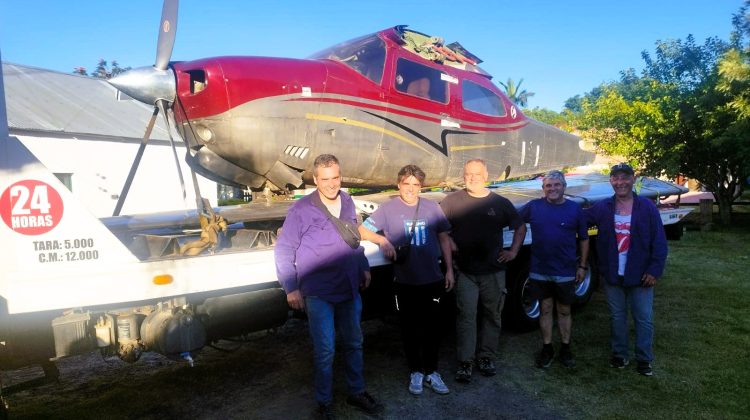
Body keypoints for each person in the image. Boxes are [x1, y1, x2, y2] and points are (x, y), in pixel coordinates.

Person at [275, 154, 383, 418]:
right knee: (325, 350)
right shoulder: (301, 210)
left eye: (336, 177)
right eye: (325, 179)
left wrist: (363, 266)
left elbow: (352, 237)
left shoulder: (347, 201)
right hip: (318, 291)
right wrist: (291, 287)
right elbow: (284, 249)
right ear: (315, 180)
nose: (332, 184)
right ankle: (324, 403)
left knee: (355, 342)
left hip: (348, 287)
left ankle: (356, 392)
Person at [359, 165, 454, 396]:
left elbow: (444, 239)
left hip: (432, 279)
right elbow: (361, 230)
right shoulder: (387, 209)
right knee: (409, 328)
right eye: (406, 184)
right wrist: (382, 241)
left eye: (416, 185)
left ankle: (432, 371)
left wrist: (449, 270)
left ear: (421, 187)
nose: (410, 189)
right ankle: (416, 371)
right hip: (404, 283)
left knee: (433, 328)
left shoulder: (432, 207)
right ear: (399, 184)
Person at [440, 159, 526, 383]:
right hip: (465, 272)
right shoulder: (451, 201)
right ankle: (465, 362)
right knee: (466, 318)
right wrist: (449, 242)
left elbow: (520, 226)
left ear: (486, 175)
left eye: (477, 174)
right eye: (468, 173)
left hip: (494, 272)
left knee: (492, 316)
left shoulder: (500, 203)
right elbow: (439, 229)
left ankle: (486, 357)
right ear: (463, 175)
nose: (473, 177)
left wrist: (514, 252)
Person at [585, 163, 668, 376]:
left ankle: (644, 359)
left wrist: (654, 270)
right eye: (616, 178)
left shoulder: (647, 207)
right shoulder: (603, 207)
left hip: (641, 274)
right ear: (611, 181)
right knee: (617, 317)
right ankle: (620, 355)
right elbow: (579, 219)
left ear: (633, 179)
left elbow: (659, 242)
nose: (620, 182)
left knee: (643, 318)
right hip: (613, 274)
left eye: (625, 178)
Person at [519, 170, 589, 369]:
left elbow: (584, 239)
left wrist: (582, 266)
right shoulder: (533, 207)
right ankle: (547, 347)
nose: (552, 189)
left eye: (556, 185)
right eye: (548, 185)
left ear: (564, 187)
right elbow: (513, 220)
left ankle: (565, 348)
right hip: (539, 269)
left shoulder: (574, 209)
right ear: (543, 189)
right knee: (545, 309)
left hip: (565, 270)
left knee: (565, 310)